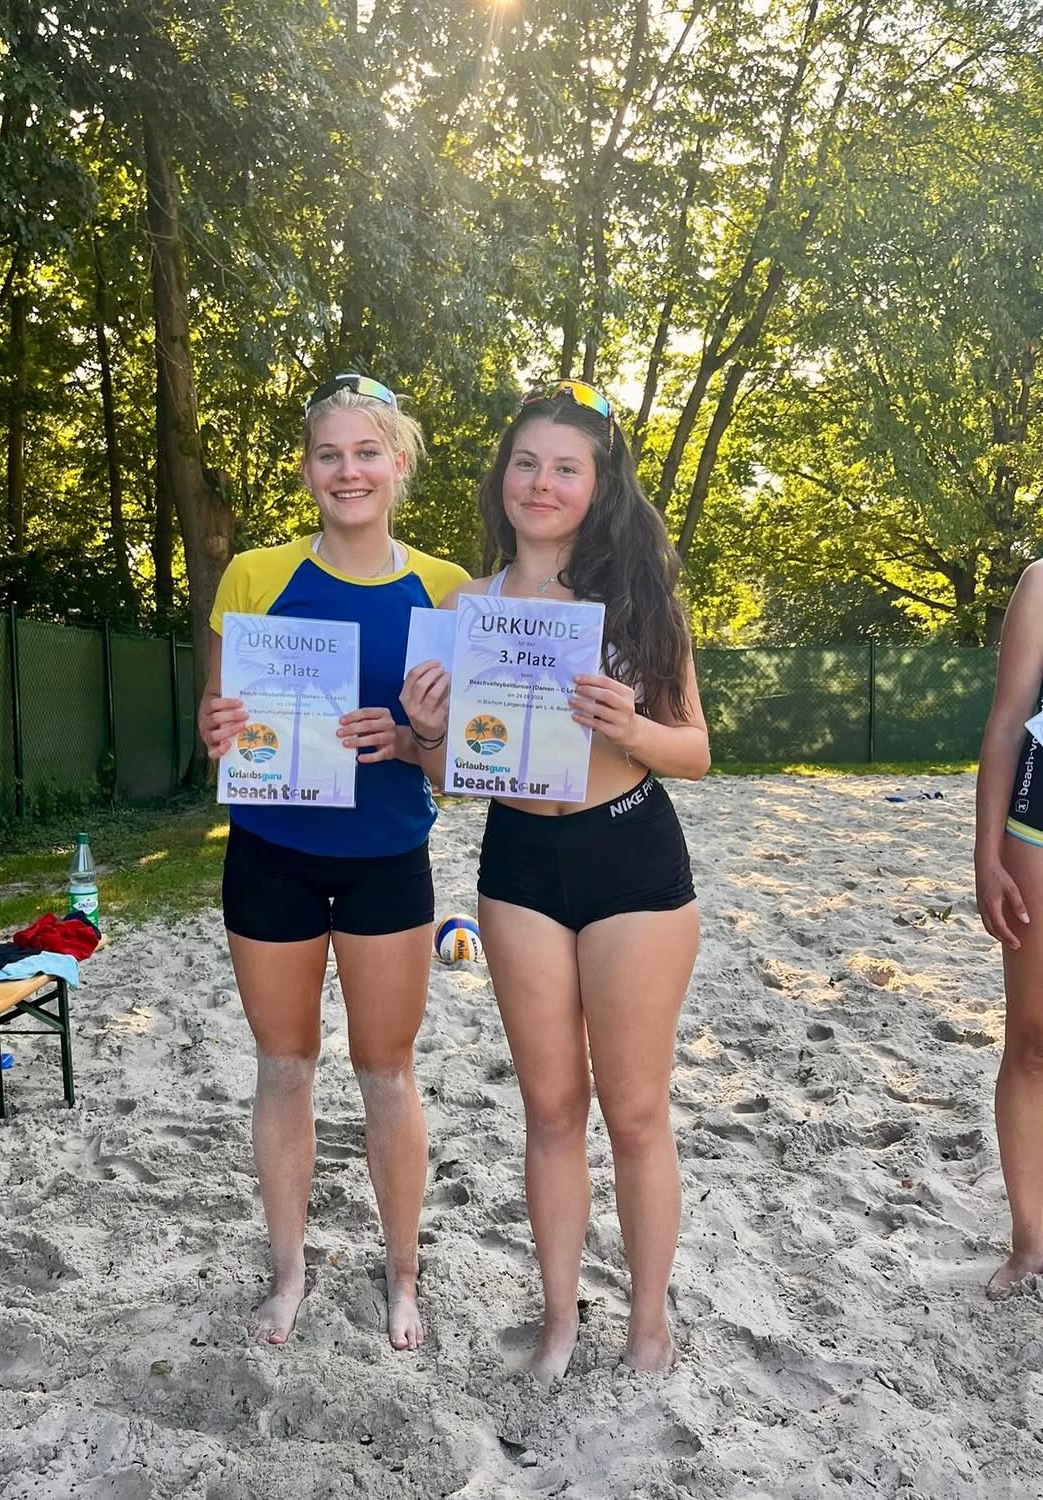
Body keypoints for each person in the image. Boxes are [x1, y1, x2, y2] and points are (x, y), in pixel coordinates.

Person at [403, 380, 710, 1379]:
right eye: (526, 463)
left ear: (596, 484)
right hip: (520, 865)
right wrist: (431, 732)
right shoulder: (468, 606)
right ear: (503, 479)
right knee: (549, 1112)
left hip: (630, 853)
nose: (542, 483)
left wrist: (633, 730)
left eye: (565, 468)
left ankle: (649, 1326)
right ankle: (560, 1323)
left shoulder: (640, 596)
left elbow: (697, 749)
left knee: (634, 1112)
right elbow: (453, 777)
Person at [197, 372, 468, 1350]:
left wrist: (409, 742)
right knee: (283, 1065)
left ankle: (403, 1276)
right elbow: (216, 722)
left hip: (389, 856)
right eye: (328, 454)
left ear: (399, 464)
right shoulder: (255, 577)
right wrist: (220, 726)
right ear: (308, 467)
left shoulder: (449, 589)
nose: (346, 471)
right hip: (270, 855)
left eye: (366, 452)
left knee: (387, 1072)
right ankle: (287, 1273)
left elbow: (464, 759)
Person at [975, 559, 1043, 1296]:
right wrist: (986, 853)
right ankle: (1031, 1243)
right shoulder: (1042, 585)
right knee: (1034, 1040)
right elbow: (1005, 724)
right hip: (1038, 835)